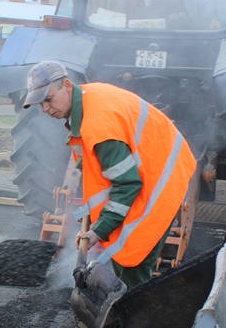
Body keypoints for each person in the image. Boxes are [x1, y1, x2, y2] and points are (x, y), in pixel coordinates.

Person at [23, 61, 196, 289]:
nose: (45, 109)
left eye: (48, 99)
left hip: (161, 178)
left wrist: (98, 230)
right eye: (40, 104)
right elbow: (98, 169)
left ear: (66, 85)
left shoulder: (100, 126)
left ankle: (136, 314)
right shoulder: (84, 101)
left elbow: (127, 185)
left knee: (133, 260)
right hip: (146, 170)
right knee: (123, 255)